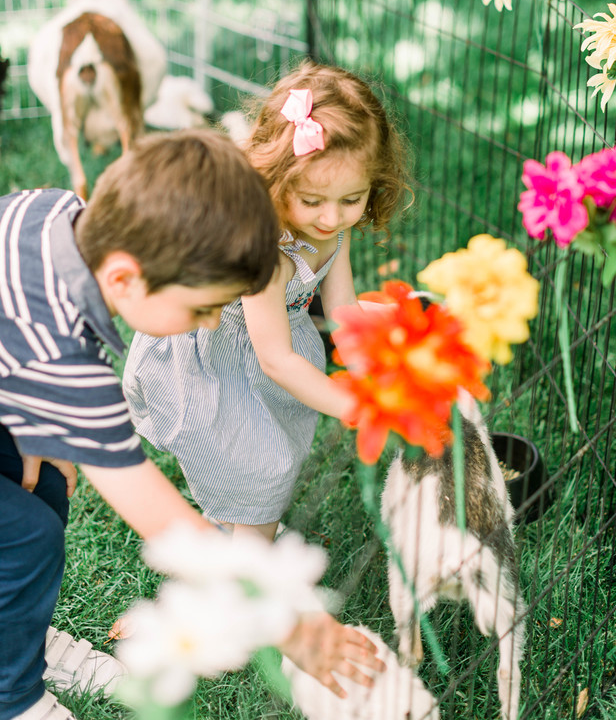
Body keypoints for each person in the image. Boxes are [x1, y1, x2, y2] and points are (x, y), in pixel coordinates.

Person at [0, 129, 384, 720]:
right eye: (202, 307)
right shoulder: (55, 355)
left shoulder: (55, 213)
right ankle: (13, 697)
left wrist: (25, 421)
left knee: (43, 483)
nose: (209, 326)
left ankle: (18, 641)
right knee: (25, 535)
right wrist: (290, 624)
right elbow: (160, 515)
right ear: (127, 279)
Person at [122, 62, 412, 544]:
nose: (331, 217)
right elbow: (275, 359)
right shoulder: (266, 250)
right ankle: (246, 582)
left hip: (274, 352)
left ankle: (243, 530)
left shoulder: (332, 230)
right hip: (220, 361)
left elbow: (342, 311)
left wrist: (369, 372)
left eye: (351, 199)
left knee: (271, 455)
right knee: (261, 468)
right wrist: (352, 406)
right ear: (279, 179)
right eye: (313, 199)